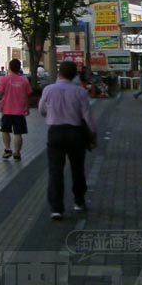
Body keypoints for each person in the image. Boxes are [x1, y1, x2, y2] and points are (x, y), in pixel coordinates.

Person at [39, 60, 97, 220]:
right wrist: (93, 134)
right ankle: (79, 201)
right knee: (77, 168)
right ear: (74, 75)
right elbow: (88, 116)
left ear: (59, 73)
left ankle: (56, 208)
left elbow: (42, 110)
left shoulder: (49, 90)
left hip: (55, 132)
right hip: (75, 133)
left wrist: (52, 115)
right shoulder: (80, 92)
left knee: (55, 170)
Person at [0, 58, 32, 161]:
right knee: (18, 133)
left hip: (6, 110)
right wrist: (27, 108)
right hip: (20, 111)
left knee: (5, 130)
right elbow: (28, 95)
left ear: (9, 67)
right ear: (19, 68)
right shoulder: (24, 81)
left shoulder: (3, 79)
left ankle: (8, 150)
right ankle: (17, 153)